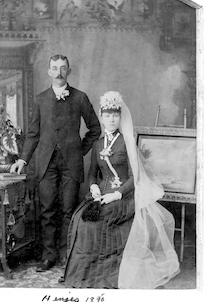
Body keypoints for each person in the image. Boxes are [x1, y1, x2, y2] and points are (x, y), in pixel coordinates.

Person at [62, 91, 180, 289]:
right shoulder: (98, 143)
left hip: (123, 195)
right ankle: (86, 274)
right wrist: (93, 187)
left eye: (115, 115)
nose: (111, 119)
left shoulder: (127, 143)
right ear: (101, 117)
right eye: (107, 115)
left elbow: (135, 177)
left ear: (120, 117)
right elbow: (92, 173)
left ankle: (106, 275)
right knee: (81, 219)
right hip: (101, 194)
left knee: (102, 222)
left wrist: (117, 194)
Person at [10, 54, 101, 272]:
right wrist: (23, 160)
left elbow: (95, 128)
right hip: (46, 163)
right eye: (54, 68)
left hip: (71, 162)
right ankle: (49, 256)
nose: (59, 72)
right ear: (49, 71)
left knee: (68, 208)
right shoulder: (41, 99)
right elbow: (33, 134)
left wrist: (79, 150)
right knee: (47, 209)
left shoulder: (80, 97)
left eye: (63, 68)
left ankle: (66, 255)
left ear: (69, 71)